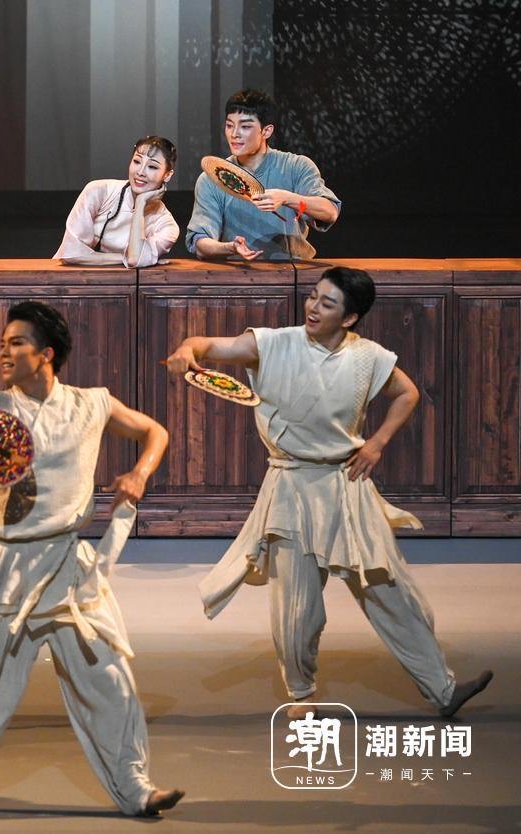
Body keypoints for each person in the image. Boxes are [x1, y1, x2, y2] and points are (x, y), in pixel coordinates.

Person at [165, 267, 492, 717]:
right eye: (313, 297)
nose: (313, 308)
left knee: (389, 590)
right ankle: (301, 695)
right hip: (292, 487)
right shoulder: (274, 343)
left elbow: (407, 394)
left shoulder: (368, 356)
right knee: (297, 606)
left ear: (350, 317)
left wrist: (377, 443)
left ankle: (443, 689)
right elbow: (207, 345)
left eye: (327, 303)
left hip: (346, 484)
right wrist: (186, 349)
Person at [0, 301, 184, 818]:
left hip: (68, 566)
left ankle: (136, 788)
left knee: (110, 679)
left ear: (47, 354)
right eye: (3, 343)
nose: (5, 352)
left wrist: (140, 473)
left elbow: (155, 432)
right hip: (5, 568)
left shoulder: (91, 404)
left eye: (17, 343)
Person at [186, 89, 340, 261]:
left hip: (294, 271)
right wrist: (230, 247)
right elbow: (200, 242)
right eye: (229, 125)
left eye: (245, 127)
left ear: (266, 131)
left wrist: (286, 198)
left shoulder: (296, 166)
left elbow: (330, 212)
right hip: (238, 273)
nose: (234, 134)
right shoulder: (213, 177)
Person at [54, 135, 179, 267]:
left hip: (126, 280)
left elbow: (134, 260)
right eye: (137, 162)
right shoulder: (99, 191)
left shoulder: (167, 225)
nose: (140, 172)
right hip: (74, 277)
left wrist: (140, 203)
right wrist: (126, 257)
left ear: (167, 175)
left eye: (152, 167)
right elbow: (70, 254)